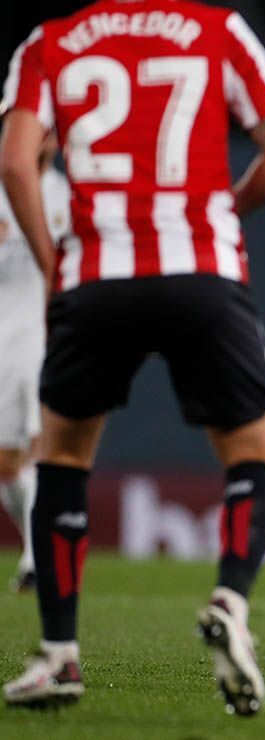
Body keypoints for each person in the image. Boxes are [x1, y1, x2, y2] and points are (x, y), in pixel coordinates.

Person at [0, 0, 265, 714]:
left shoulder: (49, 42)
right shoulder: (220, 31)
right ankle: (230, 601)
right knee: (253, 454)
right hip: (200, 268)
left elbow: (15, 160)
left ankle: (59, 654)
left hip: (96, 273)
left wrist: (51, 262)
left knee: (61, 459)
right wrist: (224, 210)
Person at [0, 133, 69, 593]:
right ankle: (35, 545)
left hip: (47, 335)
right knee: (8, 462)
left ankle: (35, 560)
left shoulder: (67, 194)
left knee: (41, 444)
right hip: (3, 336)